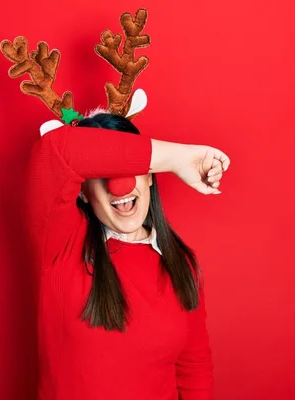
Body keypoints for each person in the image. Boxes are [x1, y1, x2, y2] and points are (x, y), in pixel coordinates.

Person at [23, 112, 230, 400]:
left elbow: (193, 368)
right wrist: (179, 158)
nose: (117, 186)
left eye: (131, 169)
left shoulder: (181, 263)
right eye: (102, 174)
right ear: (83, 192)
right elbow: (58, 152)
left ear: (149, 176)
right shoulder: (59, 245)